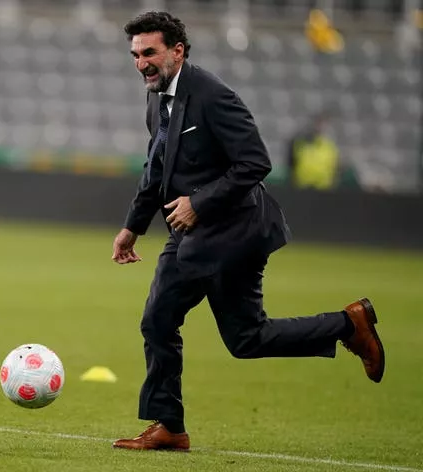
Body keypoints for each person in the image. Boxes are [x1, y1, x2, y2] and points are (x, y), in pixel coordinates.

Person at [111, 11, 385, 452]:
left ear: (177, 51)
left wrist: (199, 203)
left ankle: (346, 325)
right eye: (135, 55)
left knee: (244, 338)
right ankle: (169, 427)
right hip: (188, 235)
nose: (141, 63)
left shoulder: (213, 96)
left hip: (234, 233)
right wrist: (132, 226)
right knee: (161, 320)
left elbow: (256, 162)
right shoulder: (156, 97)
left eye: (149, 53)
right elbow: (157, 167)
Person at [286, 114, 340, 190]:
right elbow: (291, 163)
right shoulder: (299, 143)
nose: (320, 127)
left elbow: (335, 169)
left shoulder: (330, 147)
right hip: (302, 187)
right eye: (318, 124)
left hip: (324, 189)